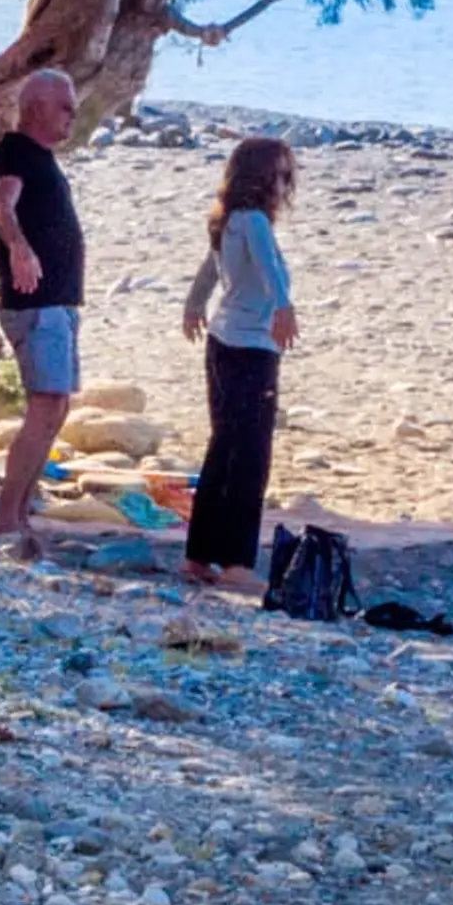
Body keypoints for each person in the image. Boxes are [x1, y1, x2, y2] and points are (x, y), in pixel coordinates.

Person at [178, 136, 299, 595]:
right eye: (282, 175)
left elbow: (208, 271)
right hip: (251, 346)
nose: (286, 185)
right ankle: (235, 561)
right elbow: (268, 268)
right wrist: (284, 308)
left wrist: (193, 306)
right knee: (249, 453)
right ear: (264, 177)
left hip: (222, 342)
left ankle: (198, 555)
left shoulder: (227, 219)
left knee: (223, 448)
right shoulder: (254, 222)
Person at [0, 68, 87, 552]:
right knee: (44, 404)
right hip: (36, 303)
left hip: (58, 303)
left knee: (57, 407)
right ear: (37, 107)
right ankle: (6, 518)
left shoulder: (41, 159)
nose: (73, 114)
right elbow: (3, 207)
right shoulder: (16, 152)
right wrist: (20, 249)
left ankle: (21, 511)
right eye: (65, 106)